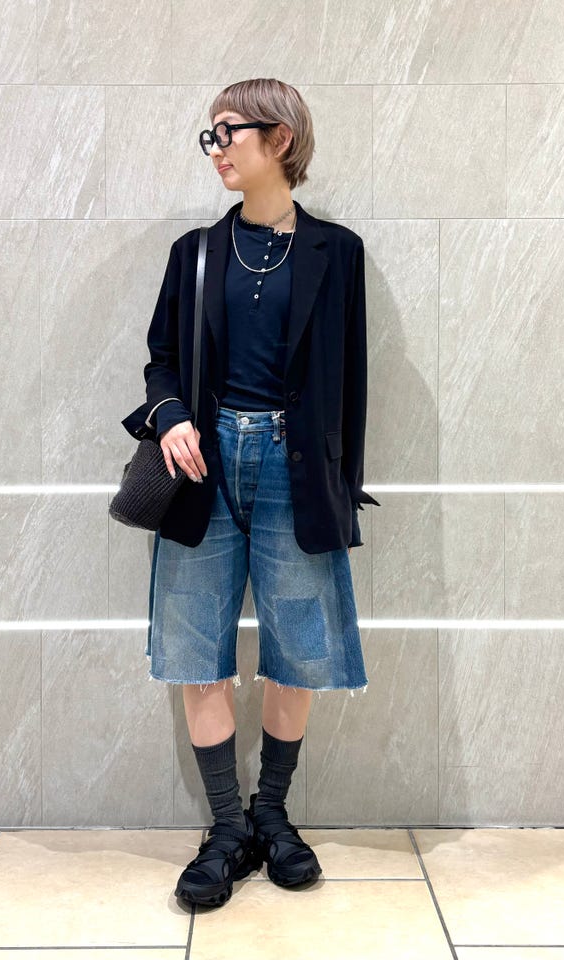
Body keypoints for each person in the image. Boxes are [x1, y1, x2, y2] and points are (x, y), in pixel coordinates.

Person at [123, 78, 380, 908]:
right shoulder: (196, 253)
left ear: (280, 138)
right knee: (196, 645)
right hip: (205, 465)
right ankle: (228, 828)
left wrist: (341, 486)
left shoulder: (337, 254)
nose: (216, 149)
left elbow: (351, 381)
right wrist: (170, 417)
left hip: (295, 470)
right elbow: (162, 359)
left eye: (227, 132)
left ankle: (273, 814)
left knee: (297, 647)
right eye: (211, 135)